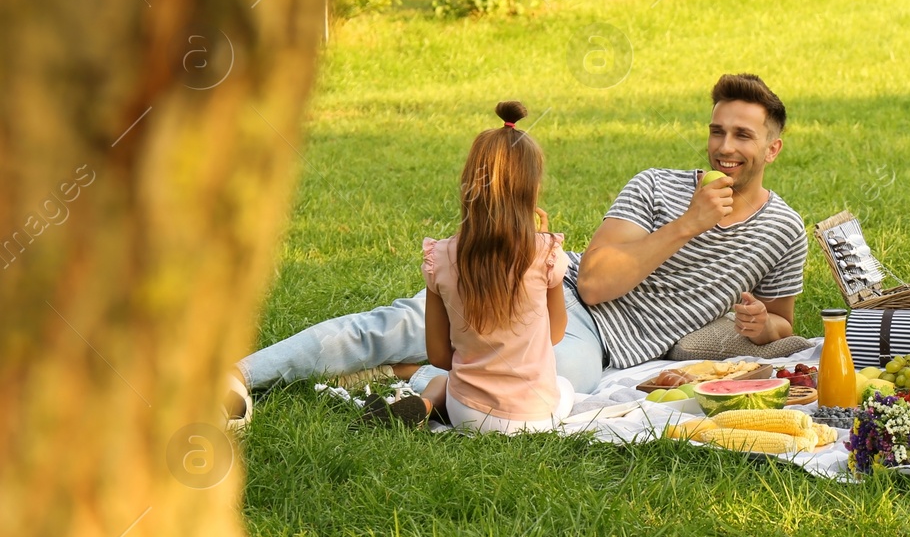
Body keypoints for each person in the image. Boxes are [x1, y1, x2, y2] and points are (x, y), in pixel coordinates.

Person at [231, 74, 809, 415]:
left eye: (742, 135)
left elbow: (782, 327)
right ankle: (237, 377)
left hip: (601, 348)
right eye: (716, 130)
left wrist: (766, 327)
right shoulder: (658, 186)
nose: (724, 147)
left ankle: (420, 380)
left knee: (545, 390)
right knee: (391, 324)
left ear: (772, 150)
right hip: (560, 295)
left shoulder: (783, 229)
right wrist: (688, 223)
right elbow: (595, 282)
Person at [366, 101, 573, 432]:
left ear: (468, 185)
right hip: (534, 417)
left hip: (468, 414)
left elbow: (439, 357)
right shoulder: (547, 252)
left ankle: (426, 403)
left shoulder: (442, 257)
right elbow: (556, 333)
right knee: (565, 386)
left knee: (447, 379)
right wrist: (543, 240)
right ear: (531, 190)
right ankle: (429, 403)